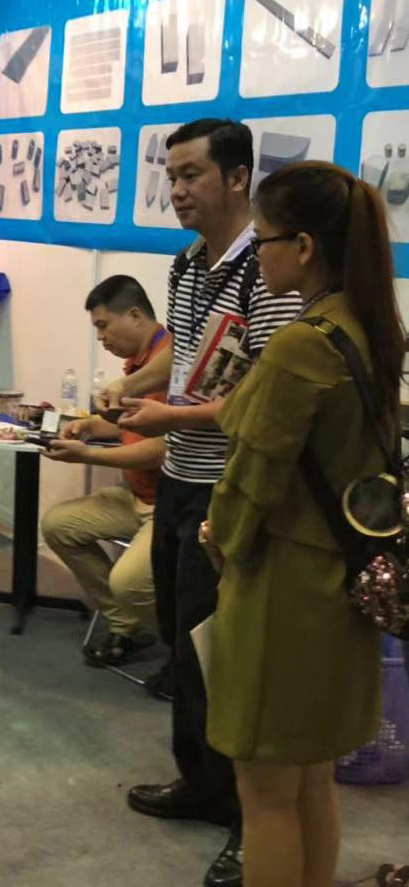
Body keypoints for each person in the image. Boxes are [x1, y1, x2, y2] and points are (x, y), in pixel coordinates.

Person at [98, 120, 299, 887]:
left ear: (238, 177)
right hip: (181, 476)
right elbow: (186, 361)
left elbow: (265, 396)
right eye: (171, 175)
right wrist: (129, 389)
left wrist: (170, 418)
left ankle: (252, 821)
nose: (177, 189)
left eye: (191, 174)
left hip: (235, 487)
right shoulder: (185, 265)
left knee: (232, 657)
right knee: (185, 645)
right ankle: (203, 785)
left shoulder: (268, 268)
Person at [201, 162, 400, 887]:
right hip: (344, 580)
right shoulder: (369, 328)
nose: (258, 255)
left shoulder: (302, 344)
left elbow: (253, 475)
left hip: (284, 588)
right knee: (312, 776)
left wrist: (220, 539)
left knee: (265, 793)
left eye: (263, 240)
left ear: (305, 246)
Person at [40, 275, 169, 667]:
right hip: (136, 498)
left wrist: (87, 455)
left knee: (128, 582)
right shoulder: (137, 365)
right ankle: (129, 626)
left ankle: (183, 649)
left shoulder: (169, 366)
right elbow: (132, 425)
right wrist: (91, 427)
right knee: (59, 525)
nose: (100, 338)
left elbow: (159, 451)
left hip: (168, 507)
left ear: (135, 316)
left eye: (103, 325)